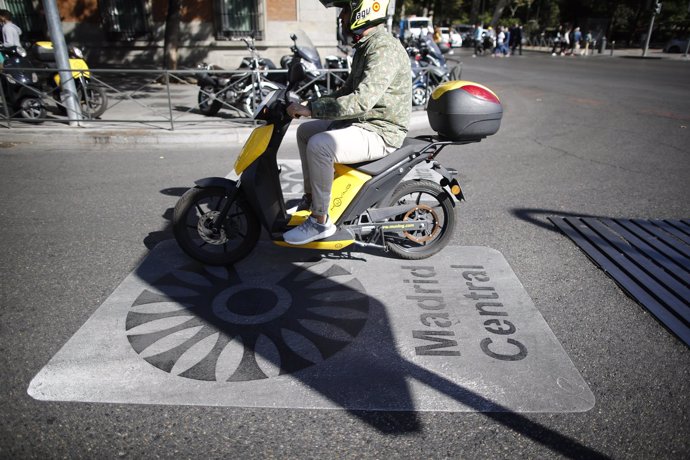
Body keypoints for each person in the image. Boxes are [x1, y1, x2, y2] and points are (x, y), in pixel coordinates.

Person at [282, 0, 411, 245]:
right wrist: (310, 103)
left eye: (345, 10)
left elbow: (361, 101)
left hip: (381, 130)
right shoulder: (366, 46)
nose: (341, 17)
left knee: (320, 145)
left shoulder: (383, 49)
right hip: (364, 123)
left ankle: (319, 221)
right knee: (306, 132)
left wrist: (313, 109)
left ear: (363, 11)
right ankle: (311, 201)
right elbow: (346, 91)